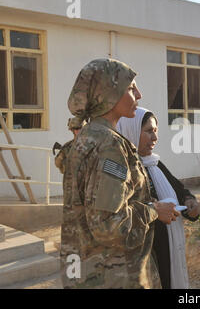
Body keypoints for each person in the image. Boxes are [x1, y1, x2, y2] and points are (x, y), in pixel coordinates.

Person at [61, 58, 180, 289]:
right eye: (130, 88)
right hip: (115, 275)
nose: (139, 94)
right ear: (109, 94)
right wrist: (154, 211)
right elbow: (108, 226)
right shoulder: (109, 145)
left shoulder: (87, 136)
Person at [117, 107, 200, 289]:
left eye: (155, 131)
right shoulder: (123, 169)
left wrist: (190, 202)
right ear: (130, 131)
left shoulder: (154, 164)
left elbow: (180, 191)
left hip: (168, 251)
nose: (154, 138)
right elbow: (120, 212)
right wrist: (155, 211)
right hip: (146, 257)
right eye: (148, 131)